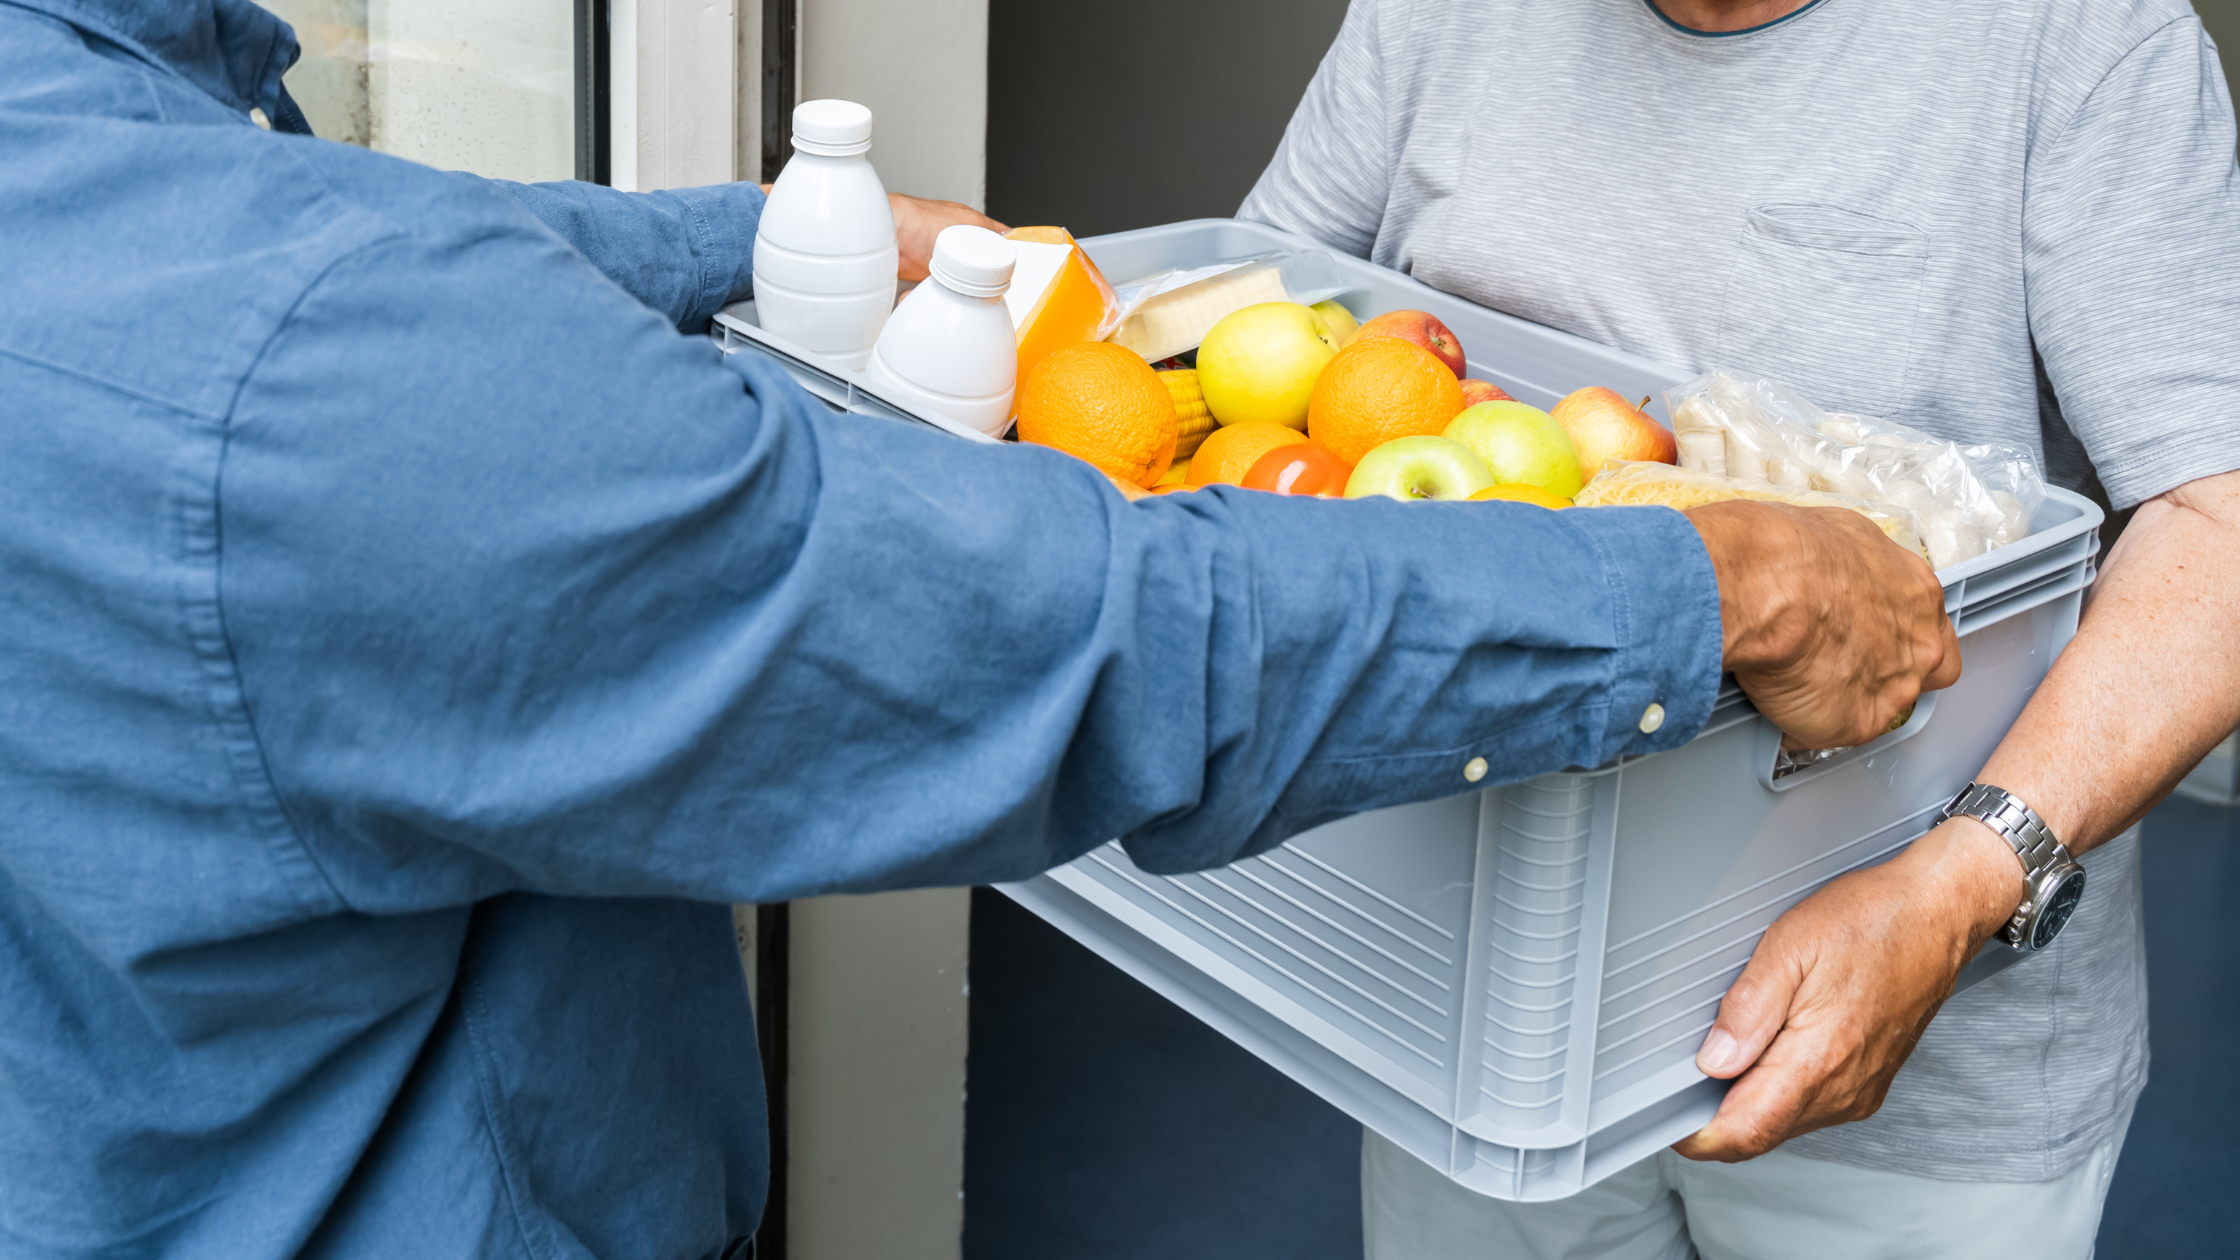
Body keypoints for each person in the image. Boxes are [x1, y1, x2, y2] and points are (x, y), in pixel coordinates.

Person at [0, 2, 1964, 1257]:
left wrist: (770, 230)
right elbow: (1086, 628)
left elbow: (333, 253)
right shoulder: (316, 384)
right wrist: (1705, 586)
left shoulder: (104, 163)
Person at [1239, 0, 2240, 1254]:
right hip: (1479, 1020)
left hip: (1919, 1100)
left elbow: (2219, 527)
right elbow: (1240, 370)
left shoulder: (2079, 37)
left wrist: (1950, 894)